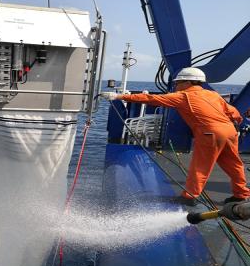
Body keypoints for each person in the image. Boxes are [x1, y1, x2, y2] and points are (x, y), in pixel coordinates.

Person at [101, 67, 250, 206]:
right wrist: (237, 123)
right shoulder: (213, 94)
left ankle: (189, 196)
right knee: (234, 164)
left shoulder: (183, 96)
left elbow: (151, 99)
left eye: (178, 82)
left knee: (200, 165)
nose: (176, 85)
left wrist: (118, 96)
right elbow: (233, 112)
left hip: (209, 133)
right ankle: (241, 194)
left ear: (187, 82)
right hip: (230, 131)